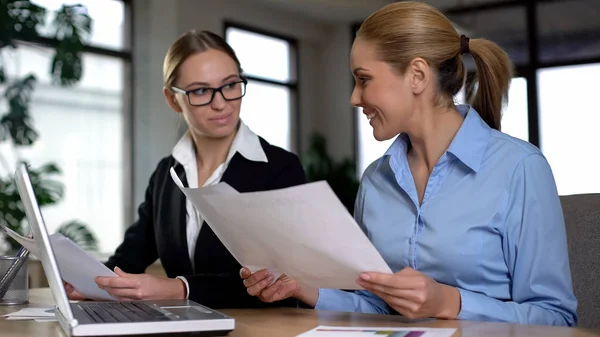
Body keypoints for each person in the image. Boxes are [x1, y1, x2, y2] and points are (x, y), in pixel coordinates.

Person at [240, 1, 578, 326]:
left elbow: (556, 317)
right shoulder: (375, 179)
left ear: (417, 75)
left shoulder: (520, 168)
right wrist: (303, 288)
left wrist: (450, 302)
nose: (354, 98)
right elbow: (375, 305)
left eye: (364, 79)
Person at [64, 29, 306, 309]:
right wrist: (87, 282)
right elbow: (130, 257)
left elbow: (278, 278)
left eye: (230, 85)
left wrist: (180, 288)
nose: (220, 103)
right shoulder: (166, 175)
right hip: (186, 327)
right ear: (172, 98)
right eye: (201, 91)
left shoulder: (279, 169)